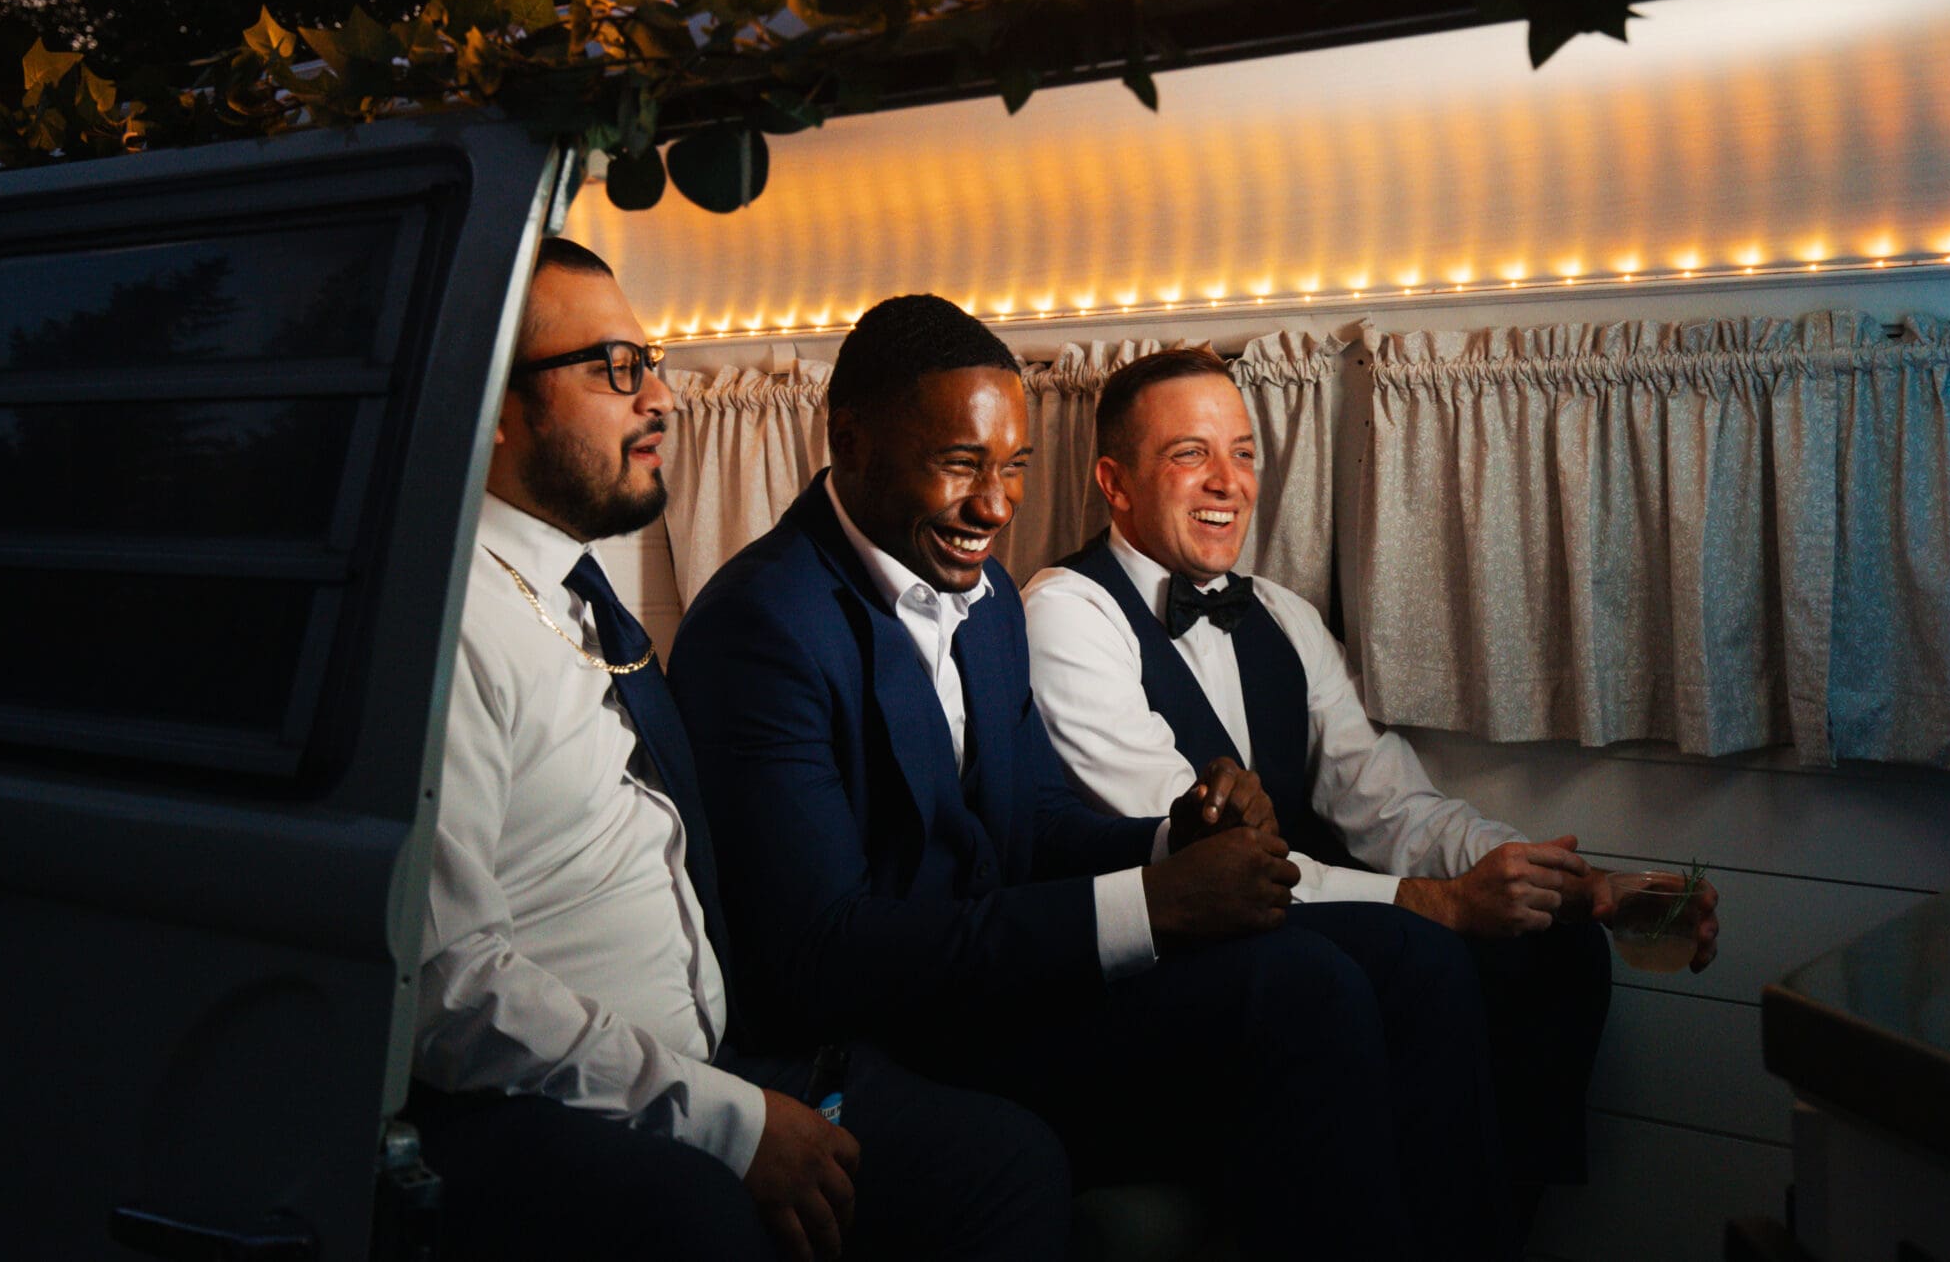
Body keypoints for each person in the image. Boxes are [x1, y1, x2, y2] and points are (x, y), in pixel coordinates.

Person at [668, 295, 1504, 1262]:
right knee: (1300, 989)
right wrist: (1152, 905)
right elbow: (827, 951)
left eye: (1014, 466)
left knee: (1403, 958)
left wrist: (1174, 837)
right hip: (894, 1040)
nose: (995, 505)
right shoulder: (763, 625)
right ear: (848, 441)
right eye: (960, 464)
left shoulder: (982, 605)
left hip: (1004, 984)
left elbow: (1032, 822)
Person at [411, 241, 1068, 1262]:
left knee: (1002, 1162)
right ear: (491, 404)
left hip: (721, 1056)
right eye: (615, 369)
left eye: (654, 362)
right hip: (554, 1107)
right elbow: (449, 987)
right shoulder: (450, 629)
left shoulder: (580, 601)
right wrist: (729, 1119)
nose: (663, 400)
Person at [1022, 346, 1724, 1250]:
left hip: (1287, 918)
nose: (1227, 481)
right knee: (1414, 951)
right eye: (1189, 454)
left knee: (1559, 951)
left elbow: (1392, 805)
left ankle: (1491, 1230)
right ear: (1115, 484)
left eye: (1243, 452)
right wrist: (1433, 904)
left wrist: (1580, 884)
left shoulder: (1282, 614)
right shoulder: (1066, 614)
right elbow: (1215, 868)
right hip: (1172, 959)